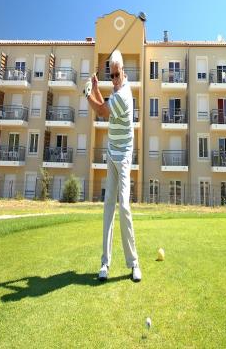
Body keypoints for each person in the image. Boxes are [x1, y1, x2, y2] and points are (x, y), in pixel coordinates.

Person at [84, 50, 141, 282]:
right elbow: (104, 103)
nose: (115, 80)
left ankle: (134, 263)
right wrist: (97, 86)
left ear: (124, 73)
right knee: (108, 206)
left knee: (124, 205)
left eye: (117, 75)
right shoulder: (115, 91)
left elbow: (100, 110)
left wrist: (87, 93)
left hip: (124, 156)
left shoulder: (124, 96)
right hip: (111, 154)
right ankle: (105, 264)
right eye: (112, 76)